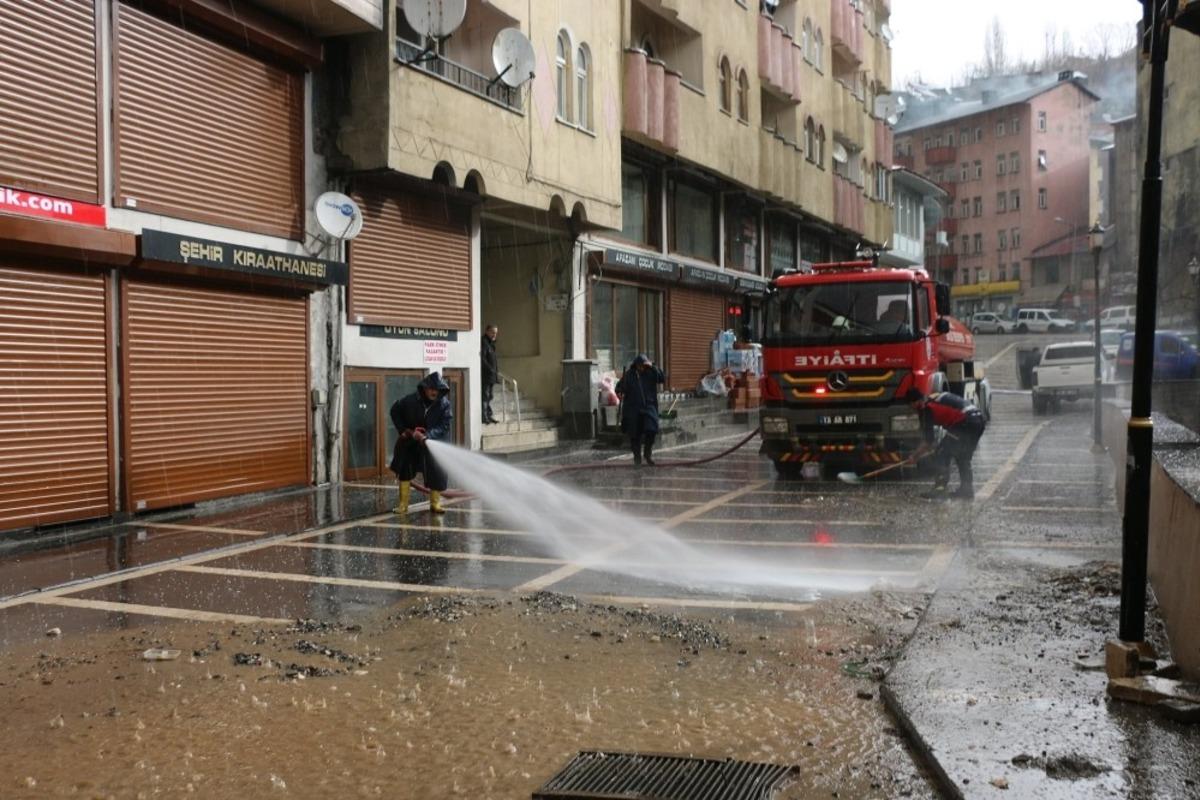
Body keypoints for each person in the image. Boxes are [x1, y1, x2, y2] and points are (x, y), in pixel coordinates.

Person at [906, 387, 986, 501]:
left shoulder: (925, 409)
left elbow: (928, 440)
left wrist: (915, 456)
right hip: (979, 421)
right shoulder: (933, 398)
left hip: (965, 423)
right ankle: (966, 490)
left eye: (910, 406)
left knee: (941, 453)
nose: (911, 409)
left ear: (915, 402)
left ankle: (939, 490)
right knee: (963, 457)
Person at [390, 372, 454, 514]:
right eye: (431, 388)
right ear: (424, 388)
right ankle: (403, 505)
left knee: (436, 471)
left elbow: (445, 425)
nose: (434, 392)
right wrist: (403, 430)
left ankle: (435, 504)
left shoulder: (444, 405)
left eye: (437, 389)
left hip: (433, 441)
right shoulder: (410, 401)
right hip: (410, 441)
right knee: (405, 470)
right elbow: (394, 410)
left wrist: (427, 436)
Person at [616, 354, 665, 466]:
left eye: (644, 365)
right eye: (640, 365)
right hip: (633, 408)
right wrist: (619, 392)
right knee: (635, 435)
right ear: (636, 365)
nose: (642, 368)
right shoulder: (629, 375)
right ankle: (637, 458)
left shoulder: (651, 372)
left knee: (652, 429)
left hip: (649, 406)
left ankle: (647, 454)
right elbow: (618, 388)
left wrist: (652, 366)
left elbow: (662, 378)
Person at [480, 324, 499, 424]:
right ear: (487, 331)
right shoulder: (483, 342)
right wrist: (490, 370)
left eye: (496, 333)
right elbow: (482, 359)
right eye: (492, 332)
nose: (494, 334)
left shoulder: (491, 344)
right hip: (486, 376)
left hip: (491, 376)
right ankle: (484, 417)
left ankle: (488, 415)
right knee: (485, 396)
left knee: (490, 396)